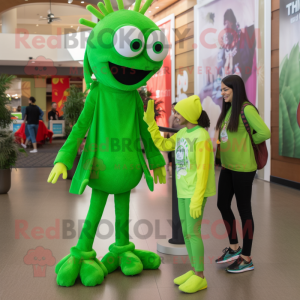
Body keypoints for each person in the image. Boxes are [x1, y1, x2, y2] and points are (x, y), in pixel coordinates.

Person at [144, 96, 216, 294]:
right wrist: (151, 123)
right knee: (186, 233)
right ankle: (194, 272)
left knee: (193, 233)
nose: (175, 115)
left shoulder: (201, 136)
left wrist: (197, 198)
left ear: (189, 115)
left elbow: (203, 170)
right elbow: (163, 144)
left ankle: (200, 276)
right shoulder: (183, 132)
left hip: (195, 192)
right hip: (183, 190)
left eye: (178, 112)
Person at [215, 75, 270, 272]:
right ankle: (234, 247)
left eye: (225, 90)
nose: (222, 93)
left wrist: (248, 143)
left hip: (244, 168)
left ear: (235, 89)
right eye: (221, 90)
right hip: (228, 167)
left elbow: (264, 132)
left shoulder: (246, 108)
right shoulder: (229, 110)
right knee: (222, 204)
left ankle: (246, 258)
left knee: (244, 209)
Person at [167, 102, 185, 177]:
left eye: (174, 107)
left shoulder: (182, 117)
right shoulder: (172, 117)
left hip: (183, 140)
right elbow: (170, 130)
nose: (173, 109)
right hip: (175, 140)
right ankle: (172, 173)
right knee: (172, 158)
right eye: (172, 107)